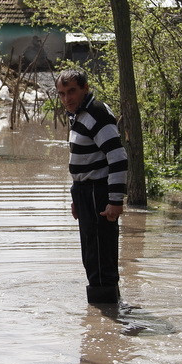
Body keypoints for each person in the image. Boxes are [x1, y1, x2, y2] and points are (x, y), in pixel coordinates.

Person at [55, 69, 128, 304]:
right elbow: (83, 162)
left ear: (85, 88)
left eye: (72, 91)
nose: (67, 99)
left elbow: (118, 158)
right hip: (87, 192)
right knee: (92, 254)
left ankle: (106, 320)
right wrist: (76, 197)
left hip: (98, 192)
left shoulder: (95, 113)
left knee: (99, 256)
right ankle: (106, 313)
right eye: (62, 94)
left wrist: (115, 201)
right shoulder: (80, 114)